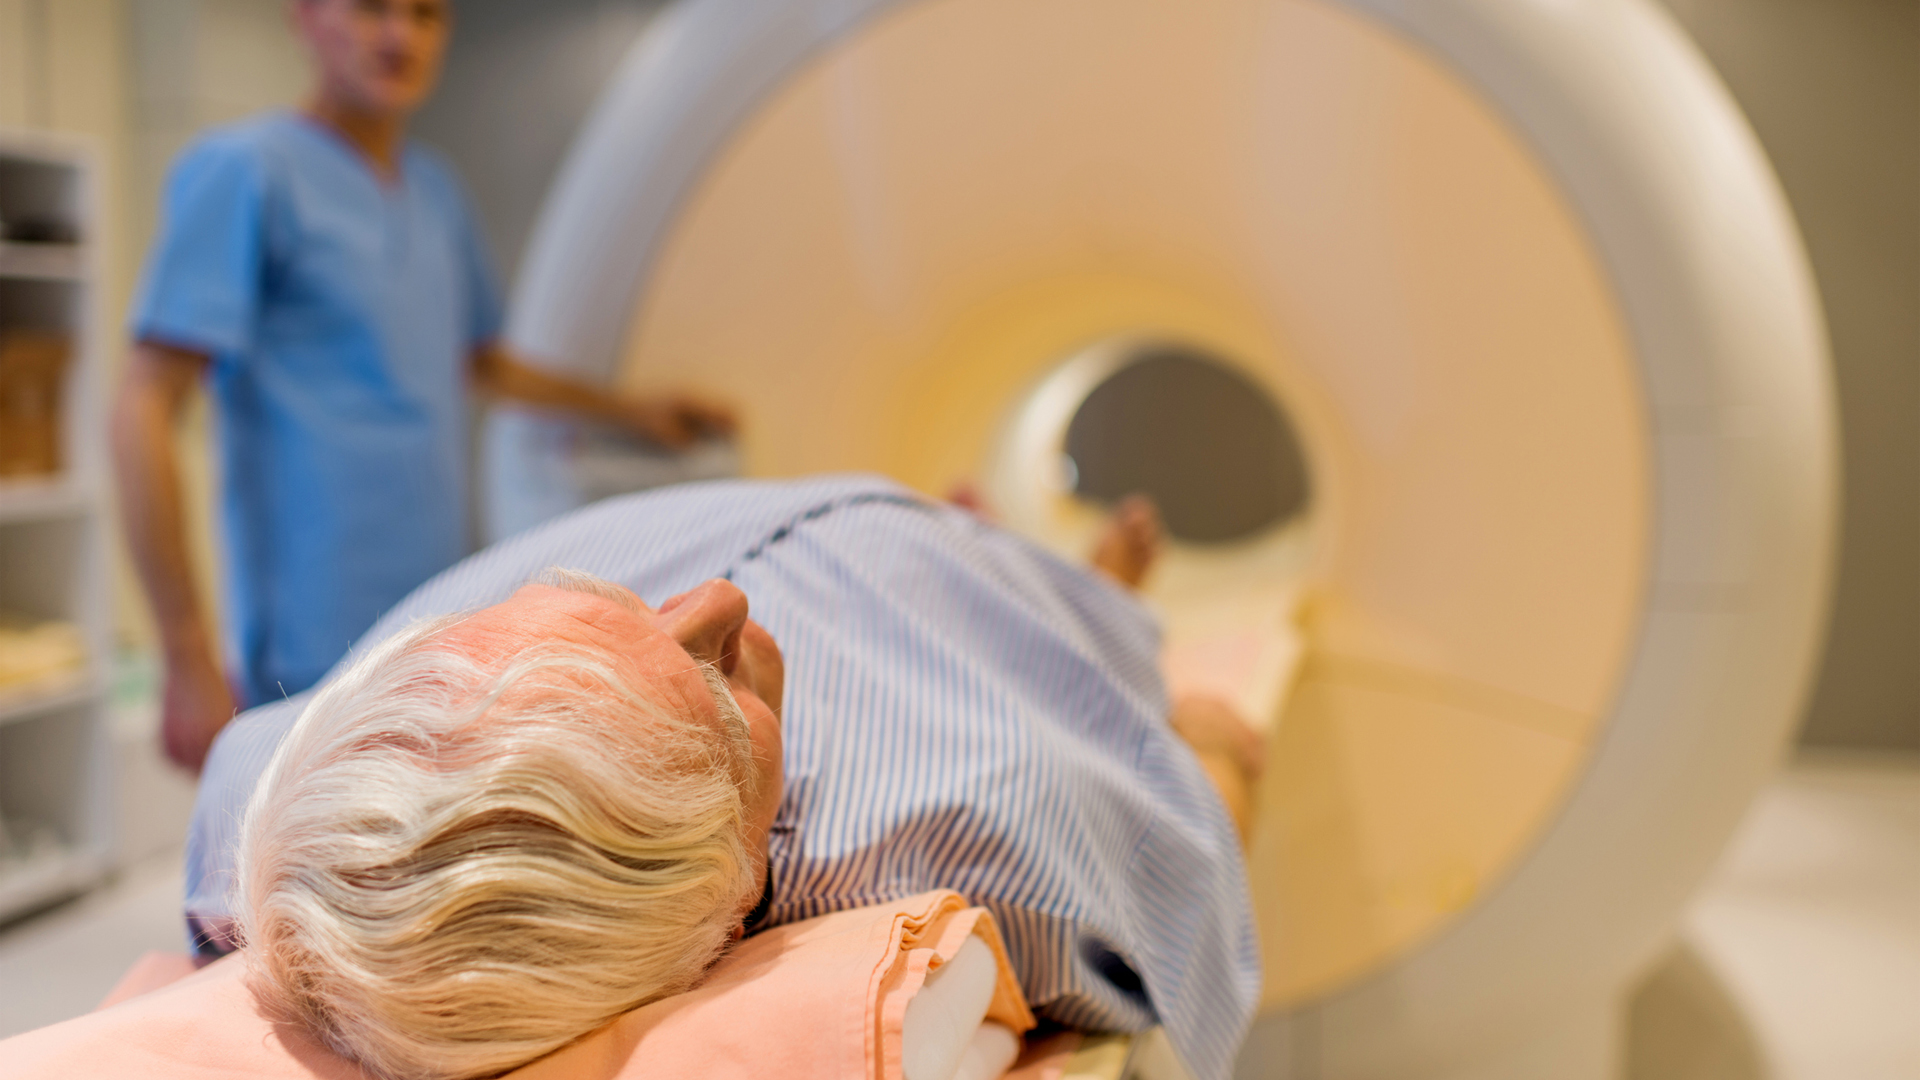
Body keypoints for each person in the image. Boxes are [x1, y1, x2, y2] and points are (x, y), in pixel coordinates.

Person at [186, 474, 1263, 1080]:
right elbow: (1188, 863)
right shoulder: (972, 836)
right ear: (733, 898)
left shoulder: (254, 789)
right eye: (714, 685)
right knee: (1095, 665)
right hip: (937, 589)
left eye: (608, 605)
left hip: (769, 512)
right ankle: (1096, 595)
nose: (715, 603)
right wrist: (1213, 751)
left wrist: (650, 656)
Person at [112, 0, 732, 775]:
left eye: (426, 14)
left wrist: (633, 412)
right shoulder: (246, 173)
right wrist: (184, 654)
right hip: (305, 646)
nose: (399, 35)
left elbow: (485, 363)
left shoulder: (434, 192)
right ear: (305, 16)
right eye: (371, 8)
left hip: (434, 619)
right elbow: (143, 405)